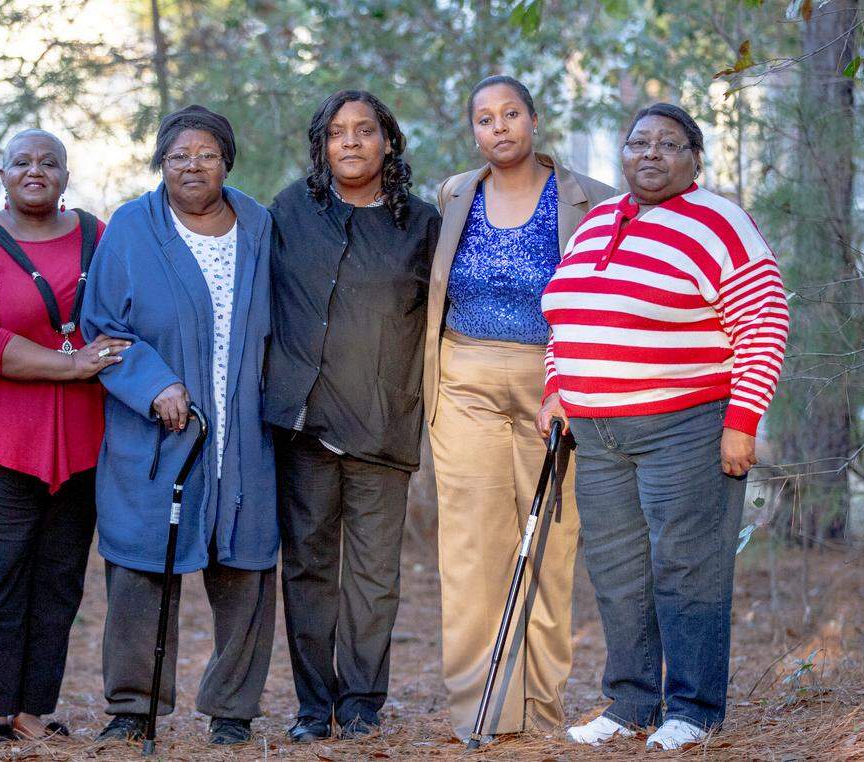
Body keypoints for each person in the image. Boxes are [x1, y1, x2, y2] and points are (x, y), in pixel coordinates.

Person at [537, 103, 789, 751]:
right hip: (597, 435)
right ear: (622, 154)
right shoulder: (596, 221)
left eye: (668, 144)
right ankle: (631, 702)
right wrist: (556, 389)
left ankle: (696, 711)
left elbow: (763, 321)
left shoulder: (719, 221)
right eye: (638, 142)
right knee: (619, 572)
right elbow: (567, 319)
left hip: (686, 426)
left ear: (694, 157)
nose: (650, 154)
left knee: (688, 567)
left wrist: (743, 420)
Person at [80, 105, 278, 747]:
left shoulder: (258, 224)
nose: (192, 166)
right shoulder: (133, 228)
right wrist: (153, 382)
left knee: (246, 568)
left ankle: (232, 710)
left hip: (245, 428)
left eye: (206, 154)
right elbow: (104, 327)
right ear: (160, 163)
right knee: (142, 564)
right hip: (159, 431)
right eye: (177, 156)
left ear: (227, 160)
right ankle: (133, 706)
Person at [422, 75, 613, 741]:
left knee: (551, 546)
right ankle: (482, 710)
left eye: (510, 114)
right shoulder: (453, 196)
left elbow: (605, 302)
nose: (498, 127)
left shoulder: (590, 200)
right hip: (464, 377)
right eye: (484, 118)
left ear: (534, 120)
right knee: (473, 548)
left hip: (553, 385)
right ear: (472, 130)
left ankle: (539, 708)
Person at [0, 128, 125, 744]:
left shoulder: (98, 235)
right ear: (3, 175)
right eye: (21, 162)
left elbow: (125, 309)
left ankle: (33, 708)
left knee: (61, 573)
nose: (34, 170)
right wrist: (68, 363)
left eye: (49, 162)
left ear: (65, 176)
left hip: (79, 430)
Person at [263, 90, 441, 742]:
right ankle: (314, 708)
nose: (351, 142)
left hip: (381, 425)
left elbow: (444, 320)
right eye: (338, 132)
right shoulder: (289, 211)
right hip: (303, 425)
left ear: (387, 142)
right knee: (307, 568)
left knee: (373, 576)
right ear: (322, 144)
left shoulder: (421, 224)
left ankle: (363, 704)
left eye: (365, 131)